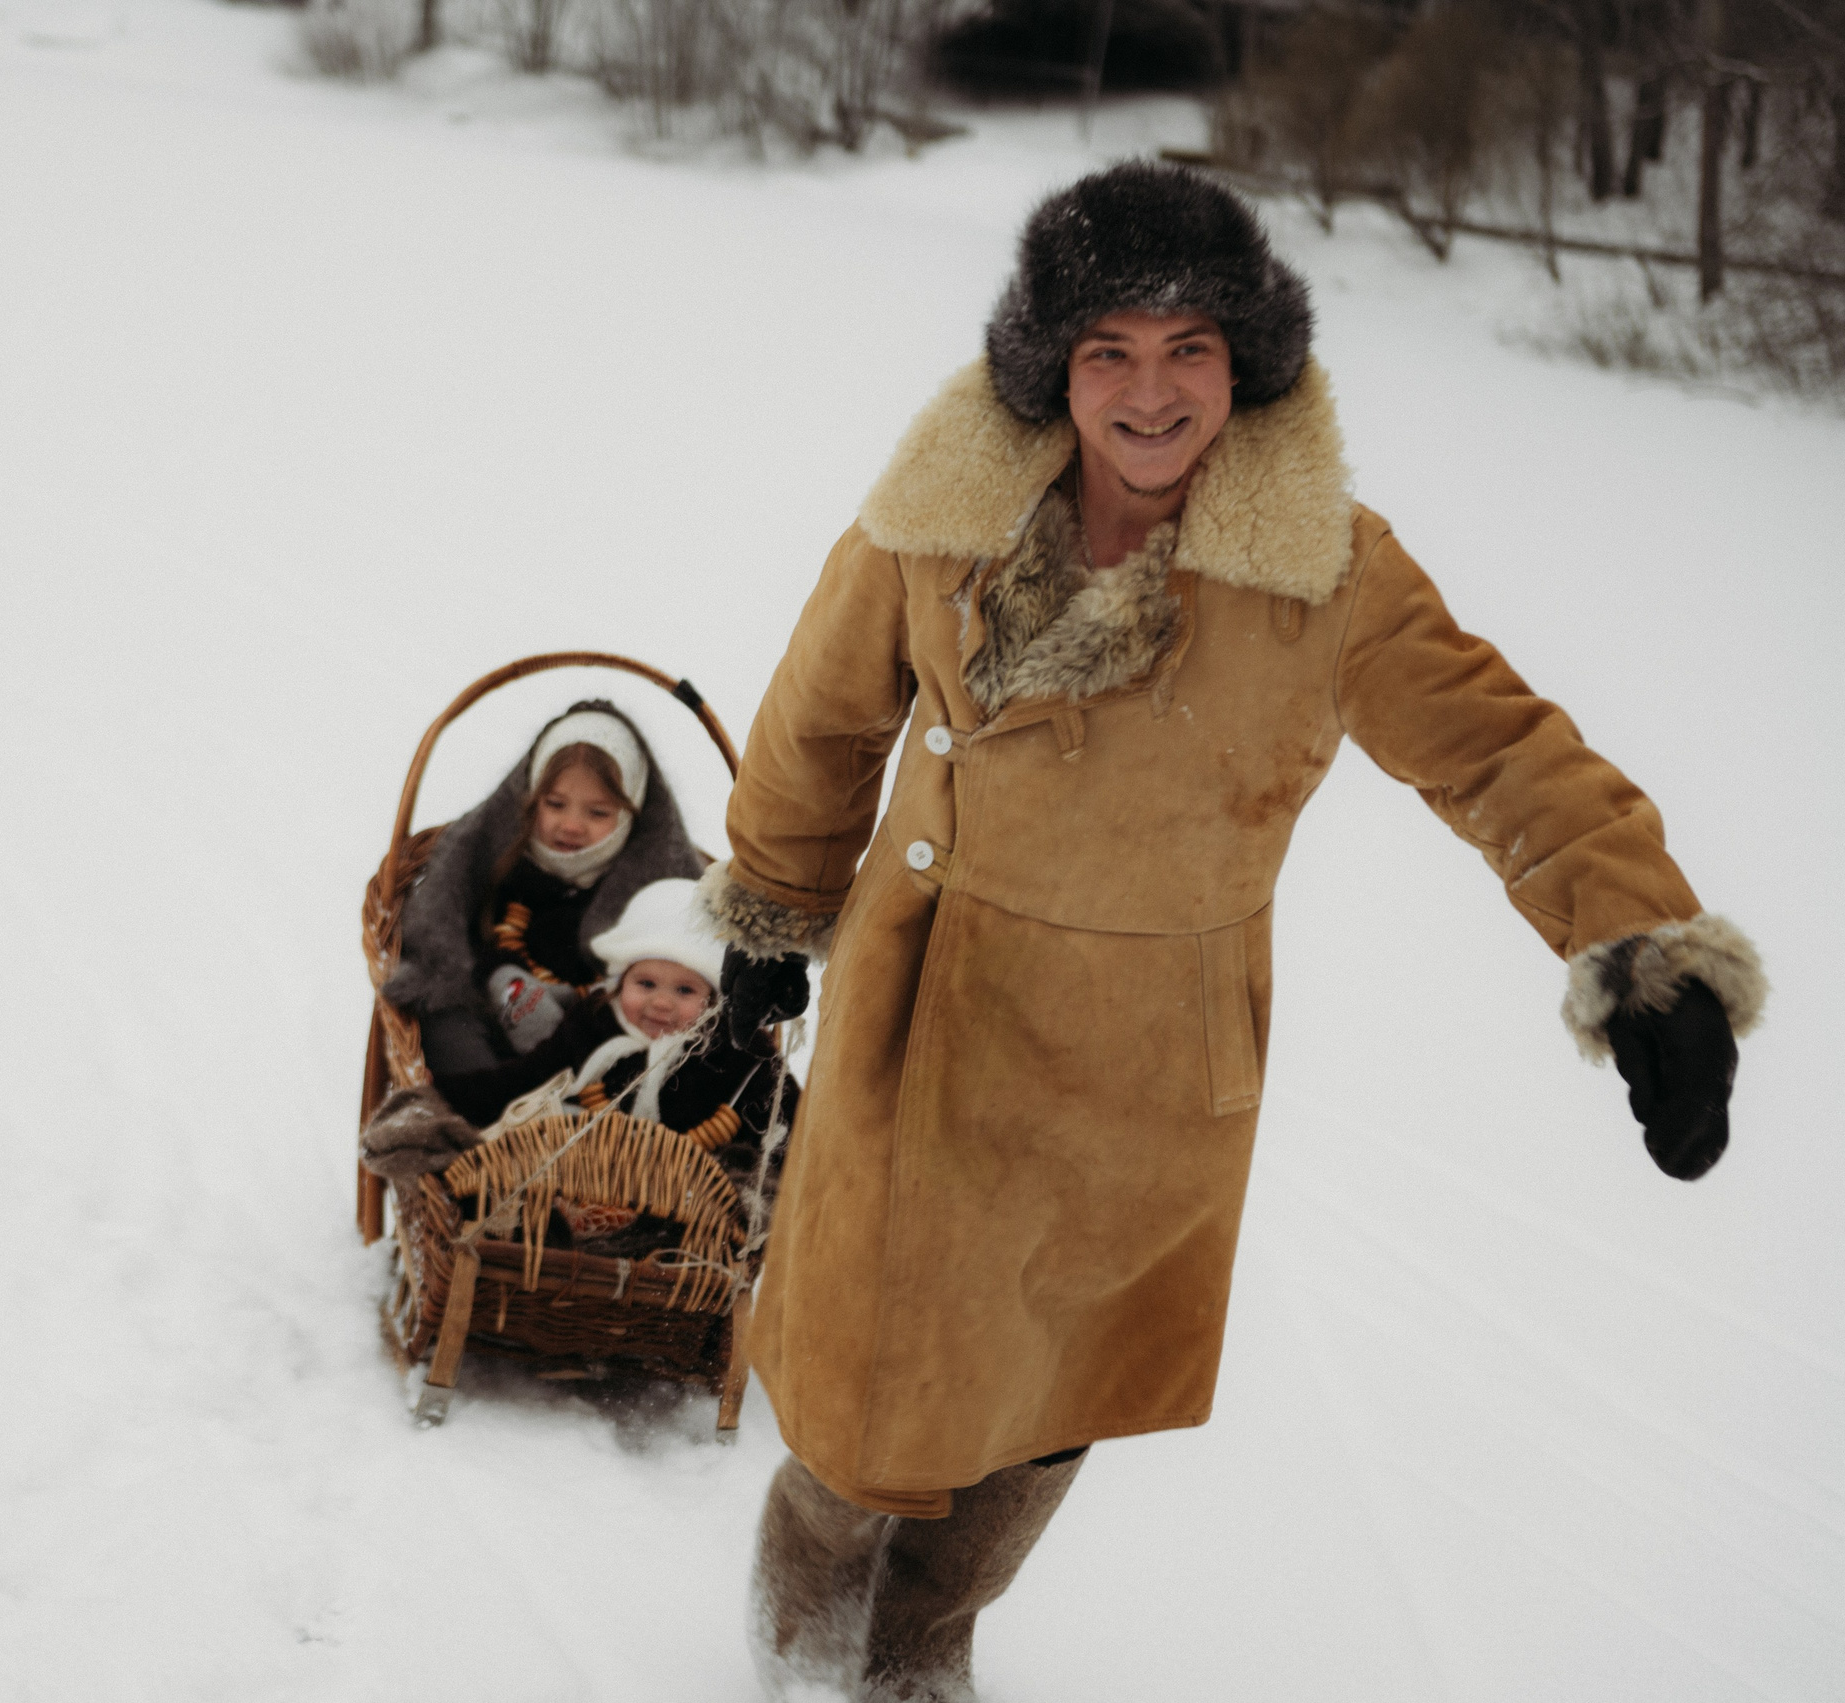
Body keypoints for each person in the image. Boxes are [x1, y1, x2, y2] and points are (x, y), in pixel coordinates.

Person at [700, 162, 1767, 1703]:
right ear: (1051, 366)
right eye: (1110, 351)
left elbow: (1500, 751)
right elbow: (820, 718)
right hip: (923, 1021)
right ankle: (799, 1652)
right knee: (866, 1399)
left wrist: (1643, 947)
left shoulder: (1323, 564)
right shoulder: (941, 517)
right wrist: (769, 914)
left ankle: (926, 1640)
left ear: (1244, 364)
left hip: (1147, 1064)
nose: (1151, 391)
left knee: (1046, 1401)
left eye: (1190, 348)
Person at [363, 879, 797, 1239]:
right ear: (618, 980)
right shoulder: (592, 1022)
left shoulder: (740, 1051)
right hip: (576, 1181)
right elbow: (525, 1078)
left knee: (727, 1196)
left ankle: (646, 1258)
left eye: (684, 991)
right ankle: (535, 1235)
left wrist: (770, 1179)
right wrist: (442, 1094)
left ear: (715, 998)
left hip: (677, 1202)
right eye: (645, 983)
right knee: (525, 1138)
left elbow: (788, 1119)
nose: (661, 1004)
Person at [385, 701, 704, 1077]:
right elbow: (449, 948)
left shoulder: (647, 886)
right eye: (555, 804)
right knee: (446, 1024)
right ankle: (497, 1123)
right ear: (531, 797)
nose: (571, 825)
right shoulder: (502, 862)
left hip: (602, 1054)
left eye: (597, 812)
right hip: (495, 1041)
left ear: (630, 814)